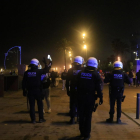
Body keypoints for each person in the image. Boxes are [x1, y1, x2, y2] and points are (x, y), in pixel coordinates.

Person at [77, 57, 103, 140]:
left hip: (80, 97)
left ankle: (81, 132)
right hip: (90, 98)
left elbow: (76, 85)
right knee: (88, 116)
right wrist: (101, 97)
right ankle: (87, 134)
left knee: (81, 115)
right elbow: (98, 88)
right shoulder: (96, 74)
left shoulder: (80, 73)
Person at [22, 57, 52, 123]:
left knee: (32, 106)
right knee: (40, 105)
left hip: (30, 91)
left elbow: (24, 82)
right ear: (36, 64)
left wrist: (24, 91)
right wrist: (45, 63)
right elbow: (46, 70)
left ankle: (33, 120)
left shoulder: (26, 73)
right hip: (38, 91)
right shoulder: (39, 71)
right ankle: (41, 119)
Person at [66, 56, 84, 124]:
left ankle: (72, 119)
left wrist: (68, 90)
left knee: (72, 104)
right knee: (81, 105)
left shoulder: (70, 70)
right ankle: (79, 118)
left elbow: (67, 81)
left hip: (73, 90)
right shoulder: (83, 70)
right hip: (81, 90)